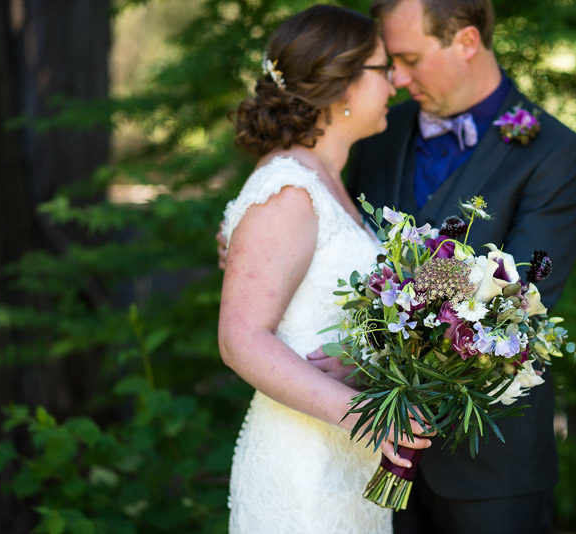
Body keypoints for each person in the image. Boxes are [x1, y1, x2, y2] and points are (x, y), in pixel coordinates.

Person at [217, 1, 576, 532]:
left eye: (409, 58)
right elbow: (302, 237)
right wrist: (246, 236)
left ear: (464, 42)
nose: (397, 77)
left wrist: (369, 357)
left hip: (488, 466)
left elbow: (518, 303)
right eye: (387, 62)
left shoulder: (553, 153)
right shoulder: (374, 133)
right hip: (357, 463)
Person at [216, 5, 432, 534]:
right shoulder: (290, 190)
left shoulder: (326, 179)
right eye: (384, 70)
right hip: (303, 471)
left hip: (342, 464)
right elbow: (241, 337)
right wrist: (368, 416)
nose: (398, 82)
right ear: (342, 89)